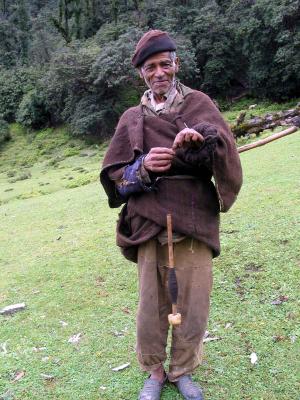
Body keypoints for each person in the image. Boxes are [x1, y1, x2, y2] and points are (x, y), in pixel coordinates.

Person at [100, 30, 242, 400]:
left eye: (166, 64)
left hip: (192, 216)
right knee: (152, 305)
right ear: (142, 74)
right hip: (148, 220)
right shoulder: (132, 117)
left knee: (193, 304)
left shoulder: (199, 104)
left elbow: (223, 148)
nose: (159, 72)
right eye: (151, 67)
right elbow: (114, 175)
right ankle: (154, 371)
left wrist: (198, 141)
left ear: (176, 64)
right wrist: (142, 168)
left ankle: (183, 370)